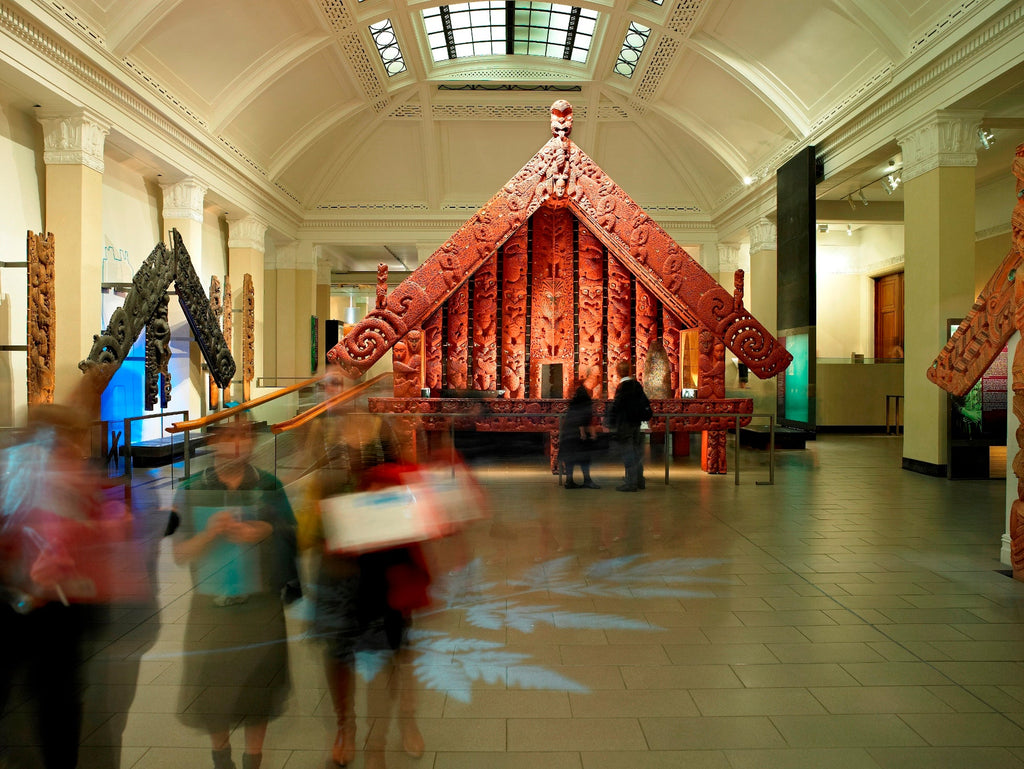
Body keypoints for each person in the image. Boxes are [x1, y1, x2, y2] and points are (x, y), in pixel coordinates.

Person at [308, 369, 428, 769]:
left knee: (393, 645)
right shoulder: (318, 433)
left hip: (383, 551)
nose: (331, 391)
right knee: (338, 648)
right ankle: (347, 726)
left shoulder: (381, 426)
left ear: (358, 388)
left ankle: (401, 721)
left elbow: (407, 479)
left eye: (338, 383)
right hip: (339, 556)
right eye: (324, 384)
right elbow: (310, 489)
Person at [172, 416, 299, 769]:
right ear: (212, 442)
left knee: (259, 690)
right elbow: (180, 553)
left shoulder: (269, 487)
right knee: (214, 688)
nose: (238, 444)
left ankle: (253, 759)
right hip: (211, 607)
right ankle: (222, 759)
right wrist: (210, 533)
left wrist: (266, 530)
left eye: (244, 436)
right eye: (228, 436)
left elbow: (291, 536)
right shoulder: (192, 490)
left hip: (260, 605)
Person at [606, 360, 653, 492]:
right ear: (630, 371)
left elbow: (617, 406)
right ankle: (639, 480)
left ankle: (631, 483)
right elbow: (644, 401)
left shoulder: (622, 387)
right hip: (636, 423)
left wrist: (610, 421)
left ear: (617, 373)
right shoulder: (636, 385)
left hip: (625, 424)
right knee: (637, 451)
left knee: (628, 452)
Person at [559, 383, 600, 489]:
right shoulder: (586, 404)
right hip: (578, 436)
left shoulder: (573, 404)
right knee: (584, 458)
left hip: (568, 434)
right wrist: (586, 433)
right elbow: (583, 419)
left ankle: (569, 480)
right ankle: (587, 480)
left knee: (569, 459)